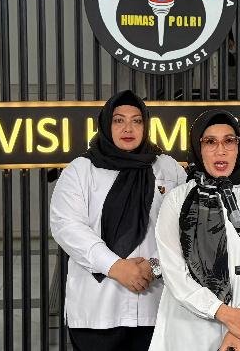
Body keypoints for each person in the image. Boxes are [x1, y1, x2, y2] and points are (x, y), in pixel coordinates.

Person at [50, 90, 187, 351]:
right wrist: (115, 266)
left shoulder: (167, 168)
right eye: (118, 120)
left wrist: (155, 266)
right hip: (98, 310)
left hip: (156, 306)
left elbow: (185, 228)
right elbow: (67, 226)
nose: (128, 128)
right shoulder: (81, 170)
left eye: (137, 121)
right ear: (105, 124)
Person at [149, 109, 240, 351]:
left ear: (238, 146)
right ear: (198, 148)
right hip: (191, 324)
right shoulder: (177, 199)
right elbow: (172, 269)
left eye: (229, 141)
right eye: (210, 142)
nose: (220, 150)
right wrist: (221, 312)